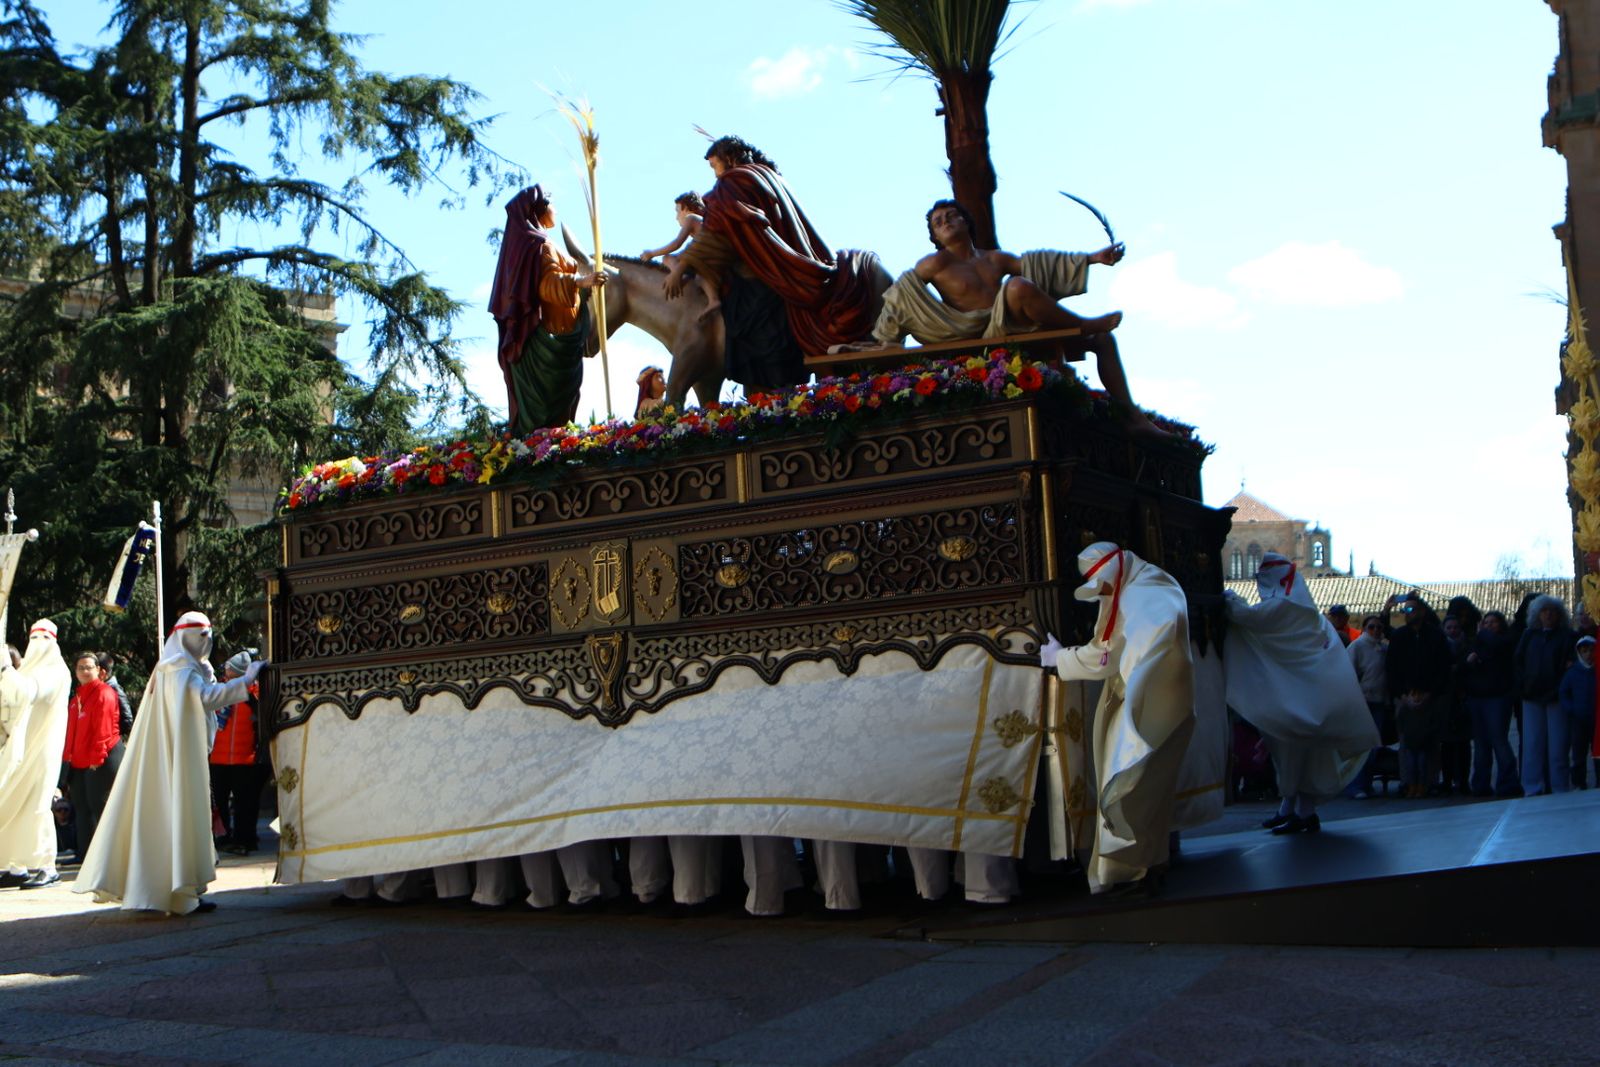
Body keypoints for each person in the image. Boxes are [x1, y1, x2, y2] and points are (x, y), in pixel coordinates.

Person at [869, 199, 1163, 438]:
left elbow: (1039, 265)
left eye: (951, 216)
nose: (945, 221)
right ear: (935, 236)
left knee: (1102, 339)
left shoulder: (994, 258)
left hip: (1011, 323)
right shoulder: (934, 263)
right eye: (937, 222)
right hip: (974, 334)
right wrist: (886, 339)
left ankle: (1133, 418)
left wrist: (1092, 258)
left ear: (966, 222)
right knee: (1018, 287)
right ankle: (1082, 324)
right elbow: (901, 296)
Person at [74, 611, 264, 915]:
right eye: (201, 635)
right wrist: (247, 679)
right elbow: (207, 699)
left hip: (173, 755)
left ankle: (180, 890)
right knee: (180, 817)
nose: (207, 641)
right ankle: (183, 892)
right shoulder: (181, 670)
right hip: (178, 758)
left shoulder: (170, 667)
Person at [1037, 542, 1196, 892]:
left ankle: (1126, 871)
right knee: (1146, 791)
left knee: (1128, 786)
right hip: (1158, 706)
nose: (1103, 594)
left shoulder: (1143, 594)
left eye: (1104, 586)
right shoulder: (1145, 587)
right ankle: (1147, 865)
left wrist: (1061, 659)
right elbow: (1112, 653)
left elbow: (1111, 655)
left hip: (1148, 707)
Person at [665, 135, 881, 389]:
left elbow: (717, 235)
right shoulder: (768, 175)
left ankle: (772, 400)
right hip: (787, 271)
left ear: (729, 159)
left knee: (759, 343)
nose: (715, 174)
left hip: (764, 280)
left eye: (714, 165)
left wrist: (680, 267)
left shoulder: (733, 184)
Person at [1223, 554, 1378, 832]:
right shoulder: (1311, 614)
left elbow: (1244, 615)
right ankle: (1296, 810)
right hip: (1311, 702)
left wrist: (1228, 596)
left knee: (1295, 759)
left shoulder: (1282, 608)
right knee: (1306, 759)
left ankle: (1302, 813)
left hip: (1298, 705)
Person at [489, 184, 608, 435]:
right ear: (539, 210)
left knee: (561, 410)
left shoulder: (542, 243)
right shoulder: (541, 245)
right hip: (547, 344)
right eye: (552, 204)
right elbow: (545, 285)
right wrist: (581, 282)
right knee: (546, 414)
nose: (555, 210)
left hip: (562, 337)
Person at [0, 623, 70, 889]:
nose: (39, 642)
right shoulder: (27, 671)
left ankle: (47, 867)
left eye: (45, 637)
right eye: (34, 637)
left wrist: (5, 668)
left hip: (44, 749)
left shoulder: (56, 671)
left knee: (38, 806)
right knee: (13, 804)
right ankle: (15, 866)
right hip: (21, 748)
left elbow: (29, 692)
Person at [1385, 593, 1452, 798]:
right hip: (1405, 697)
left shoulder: (1436, 636)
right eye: (1404, 609)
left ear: (1422, 612)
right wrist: (1402, 695)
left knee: (1431, 742)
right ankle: (1408, 782)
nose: (1407, 613)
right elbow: (1392, 669)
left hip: (1430, 697)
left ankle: (1430, 782)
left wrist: (1430, 693)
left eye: (1411, 609)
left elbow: (1443, 668)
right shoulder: (1399, 637)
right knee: (1406, 742)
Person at [61, 651, 124, 860]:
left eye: (89, 667)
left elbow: (103, 730)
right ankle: (86, 856)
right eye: (81, 668)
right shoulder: (76, 698)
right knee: (82, 808)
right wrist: (67, 760)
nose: (85, 671)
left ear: (99, 670)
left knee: (100, 806)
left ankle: (107, 858)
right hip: (80, 762)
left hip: (101, 759)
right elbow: (70, 733)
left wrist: (97, 759)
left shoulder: (104, 693)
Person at [1513, 594, 1576, 796]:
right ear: (1537, 614)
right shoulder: (1529, 635)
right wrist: (1523, 686)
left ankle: (1560, 787)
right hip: (1531, 696)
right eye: (1544, 611)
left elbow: (1570, 665)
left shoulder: (1567, 636)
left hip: (1556, 697)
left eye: (1552, 611)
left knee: (1558, 746)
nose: (1548, 615)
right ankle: (1532, 787)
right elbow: (1518, 663)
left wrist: (1560, 688)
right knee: (1532, 745)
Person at [209, 649, 270, 854]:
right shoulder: (220, 691)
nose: (227, 677)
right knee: (220, 803)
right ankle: (223, 837)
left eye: (231, 674)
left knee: (245, 804)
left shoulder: (254, 693)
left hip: (245, 759)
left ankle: (244, 839)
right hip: (218, 758)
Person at [1462, 611, 1520, 797]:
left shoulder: (1505, 642)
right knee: (1480, 743)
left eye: (1493, 622)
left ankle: (1508, 783)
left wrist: (1483, 633)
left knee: (1498, 739)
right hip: (1477, 698)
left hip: (1497, 697)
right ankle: (1480, 784)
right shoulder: (1476, 644)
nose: (1489, 626)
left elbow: (1497, 645)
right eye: (1486, 622)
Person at [641, 192, 721, 323]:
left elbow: (676, 244)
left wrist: (652, 253)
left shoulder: (692, 218)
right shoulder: (702, 223)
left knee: (667, 258)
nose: (676, 217)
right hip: (711, 259)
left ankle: (681, 276)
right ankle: (713, 300)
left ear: (686, 208)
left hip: (709, 255)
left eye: (678, 211)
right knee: (699, 275)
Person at [1345, 614, 1390, 797]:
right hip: (1362, 702)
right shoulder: (1356, 647)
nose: (1376, 630)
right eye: (1371, 627)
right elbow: (1348, 674)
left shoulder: (1384, 649)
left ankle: (1366, 783)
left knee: (1373, 746)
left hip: (1379, 701)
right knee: (1361, 747)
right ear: (1364, 629)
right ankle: (1356, 786)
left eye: (1379, 627)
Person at [1559, 635, 1596, 790]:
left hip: (1596, 720)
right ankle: (1579, 783)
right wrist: (1571, 709)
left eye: (1591, 650)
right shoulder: (1573, 672)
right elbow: (1563, 692)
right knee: (1578, 753)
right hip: (1578, 720)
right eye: (1584, 651)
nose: (1588, 654)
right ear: (1579, 652)